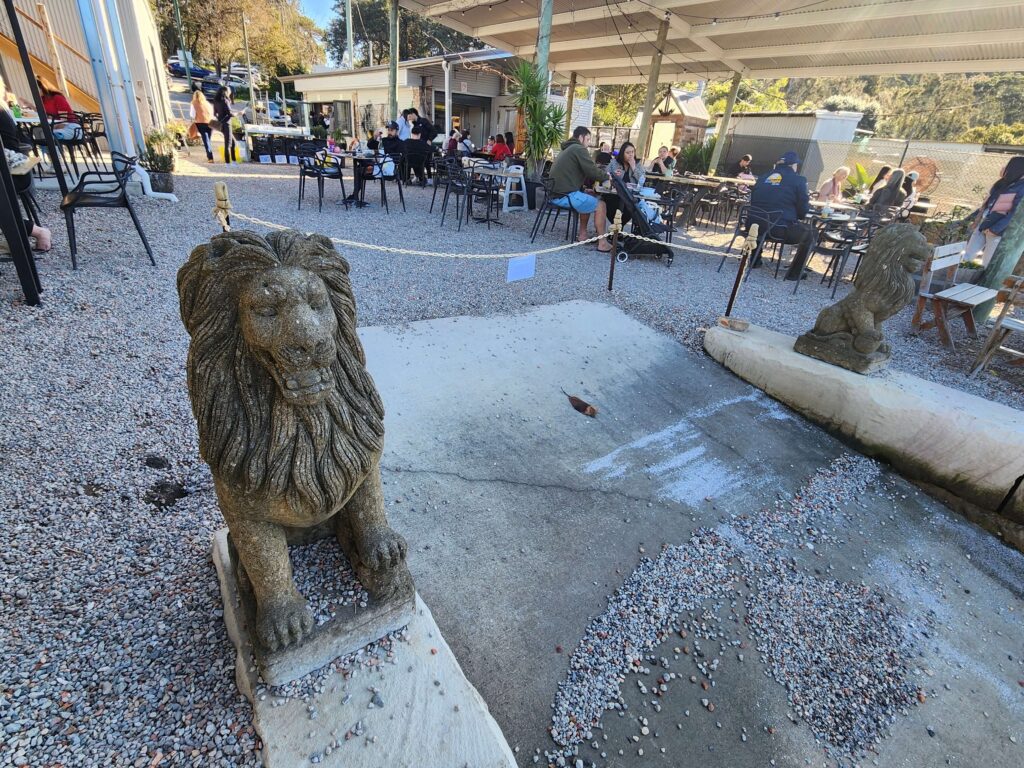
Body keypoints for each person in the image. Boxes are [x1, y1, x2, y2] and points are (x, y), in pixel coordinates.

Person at [1, 76, 49, 251]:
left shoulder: (1, 113)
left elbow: (9, 151)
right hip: (12, 171)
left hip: (12, 173)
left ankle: (37, 232)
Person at [749, 151, 813, 280]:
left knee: (763, 218)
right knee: (811, 234)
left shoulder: (763, 177)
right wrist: (798, 215)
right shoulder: (798, 180)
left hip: (752, 225)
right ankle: (795, 273)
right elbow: (803, 211)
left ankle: (754, 260)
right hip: (779, 229)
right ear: (793, 165)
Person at [548, 126, 610, 252]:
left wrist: (582, 188)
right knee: (601, 205)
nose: (587, 144)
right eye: (587, 140)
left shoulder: (568, 149)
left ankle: (583, 235)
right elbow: (591, 170)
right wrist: (607, 177)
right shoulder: (579, 148)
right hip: (565, 196)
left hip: (556, 194)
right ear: (581, 138)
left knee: (588, 198)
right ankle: (602, 243)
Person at [964, 156, 1024, 266]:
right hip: (984, 224)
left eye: (1007, 166)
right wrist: (972, 220)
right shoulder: (1002, 183)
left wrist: (995, 230)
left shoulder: (1021, 188)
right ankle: (956, 279)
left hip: (997, 232)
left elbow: (1014, 214)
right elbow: (987, 205)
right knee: (966, 257)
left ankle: (979, 283)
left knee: (987, 264)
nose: (1003, 168)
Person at [603, 141, 645, 226]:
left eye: (632, 152)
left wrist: (634, 168)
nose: (631, 155)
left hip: (631, 195)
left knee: (631, 207)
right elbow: (605, 175)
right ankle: (615, 229)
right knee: (610, 203)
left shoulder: (638, 164)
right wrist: (612, 174)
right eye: (628, 152)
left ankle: (619, 229)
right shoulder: (614, 162)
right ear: (622, 153)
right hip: (614, 194)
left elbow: (642, 180)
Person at [36, 76, 81, 141]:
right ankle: (48, 151)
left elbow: (64, 121)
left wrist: (52, 127)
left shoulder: (57, 98)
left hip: (70, 126)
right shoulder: (43, 100)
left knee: (46, 133)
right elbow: (45, 115)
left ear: (43, 87)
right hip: (56, 126)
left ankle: (54, 151)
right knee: (37, 130)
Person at [212, 86, 237, 164]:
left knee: (233, 142)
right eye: (229, 91)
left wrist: (220, 118)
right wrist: (237, 114)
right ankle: (228, 162)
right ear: (226, 92)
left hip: (221, 124)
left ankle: (233, 160)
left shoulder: (216, 100)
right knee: (228, 143)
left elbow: (214, 113)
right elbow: (230, 113)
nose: (230, 92)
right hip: (227, 124)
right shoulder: (225, 101)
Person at [190, 87, 215, 163]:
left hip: (201, 123)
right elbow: (212, 112)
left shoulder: (193, 103)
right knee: (208, 140)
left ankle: (210, 158)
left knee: (206, 140)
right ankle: (209, 154)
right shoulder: (207, 103)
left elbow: (192, 115)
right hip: (211, 122)